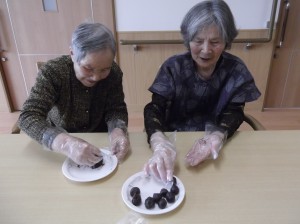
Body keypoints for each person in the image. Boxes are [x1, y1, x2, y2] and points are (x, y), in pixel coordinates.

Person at [143, 0, 261, 183]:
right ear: (188, 39)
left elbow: (234, 112)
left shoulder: (236, 70)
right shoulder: (173, 67)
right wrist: (158, 141)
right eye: (198, 41)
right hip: (173, 146)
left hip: (217, 148)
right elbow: (154, 109)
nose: (206, 50)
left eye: (215, 42)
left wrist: (217, 137)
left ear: (227, 41)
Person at [18, 22, 130, 166]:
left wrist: (117, 131)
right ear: (72, 54)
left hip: (100, 139)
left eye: (104, 70)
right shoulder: (53, 72)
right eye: (88, 68)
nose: (96, 77)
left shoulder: (114, 73)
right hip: (59, 139)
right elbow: (28, 116)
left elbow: (116, 109)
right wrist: (66, 143)